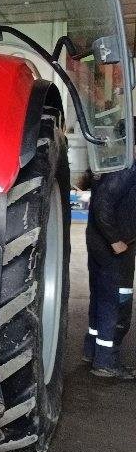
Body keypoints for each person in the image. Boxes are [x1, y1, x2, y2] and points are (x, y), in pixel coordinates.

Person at [83, 158, 136, 379]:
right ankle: (107, 361)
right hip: (115, 248)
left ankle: (92, 351)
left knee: (101, 298)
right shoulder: (128, 168)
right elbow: (103, 201)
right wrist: (115, 240)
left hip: (98, 242)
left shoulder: (110, 161)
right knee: (117, 302)